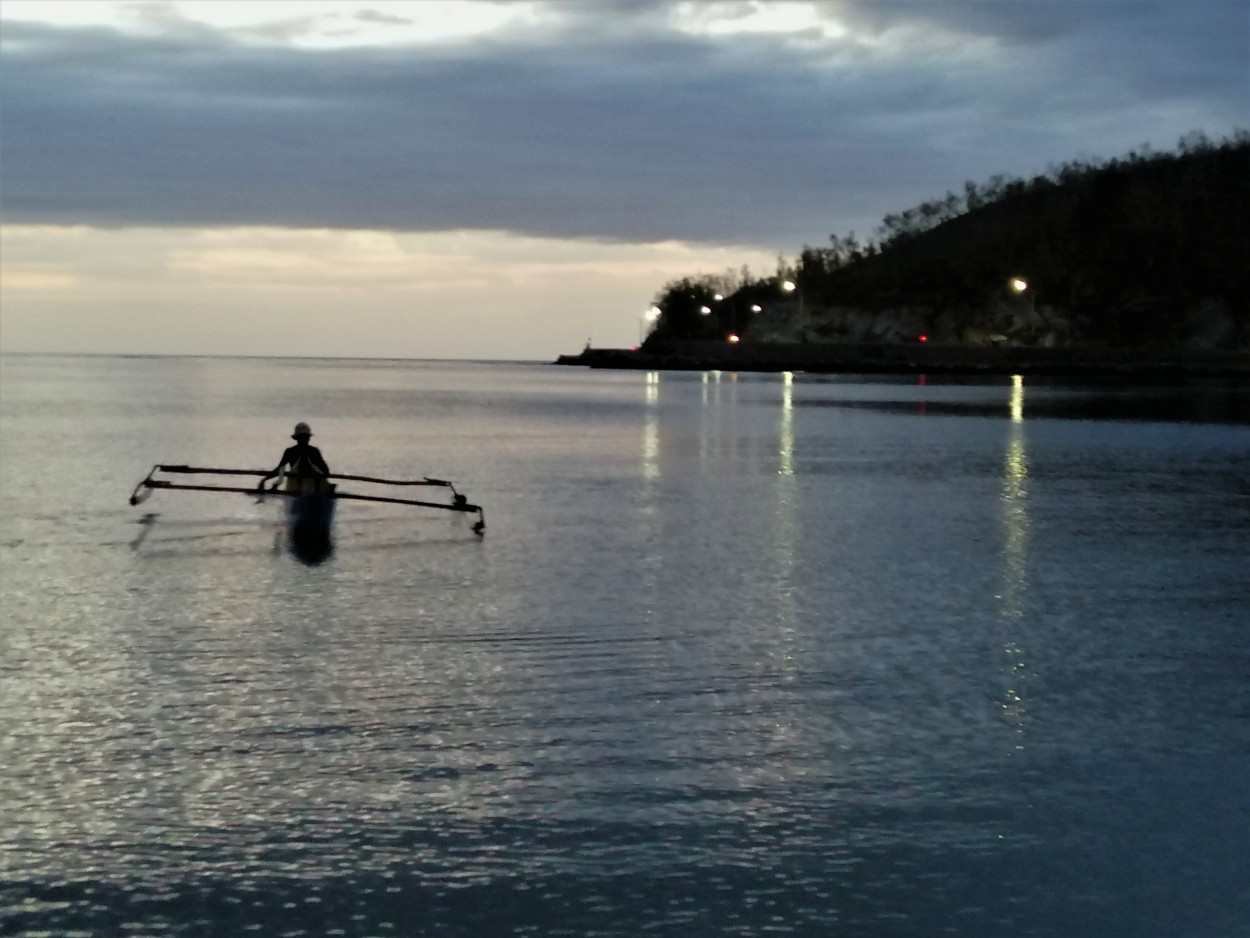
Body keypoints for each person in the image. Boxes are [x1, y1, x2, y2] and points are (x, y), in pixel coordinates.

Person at [258, 422, 331, 494]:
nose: (305, 440)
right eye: (303, 438)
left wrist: (265, 480)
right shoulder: (311, 451)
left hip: (308, 487)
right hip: (298, 487)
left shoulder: (310, 452)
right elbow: (280, 470)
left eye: (305, 438)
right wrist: (265, 480)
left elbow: (326, 471)